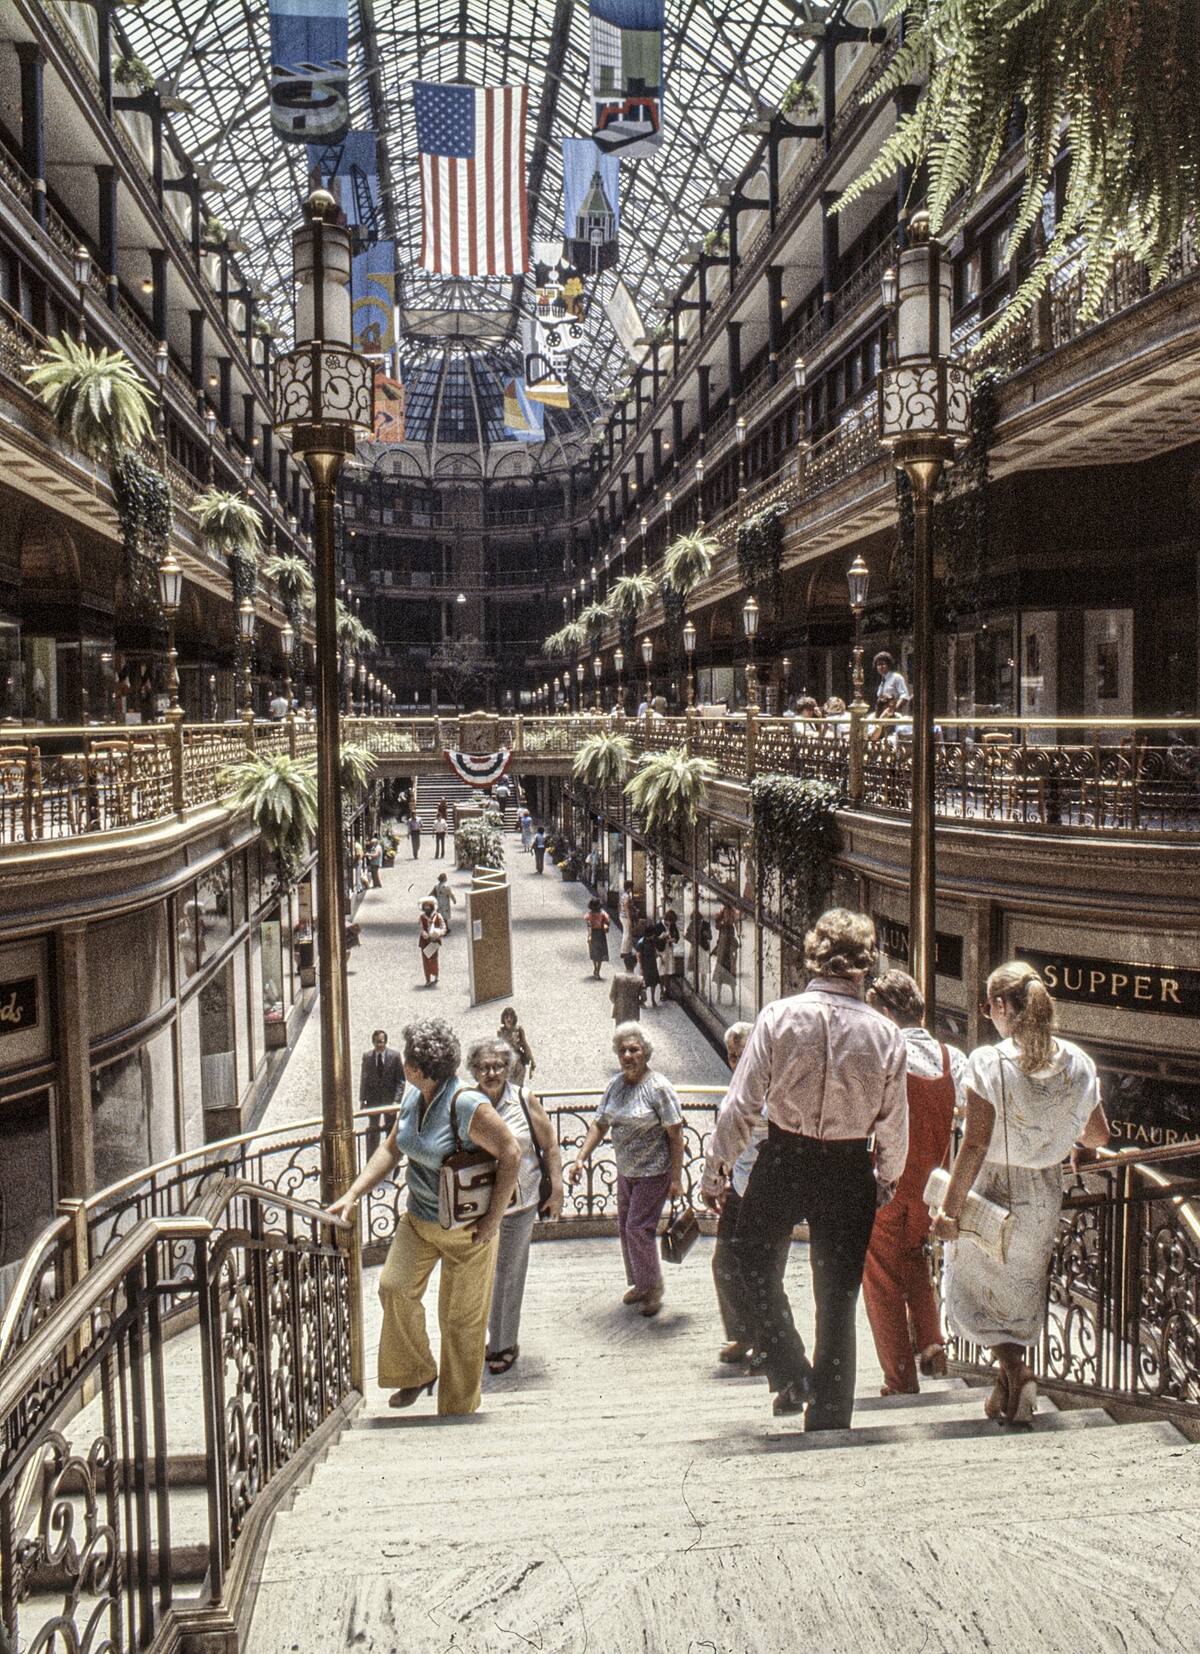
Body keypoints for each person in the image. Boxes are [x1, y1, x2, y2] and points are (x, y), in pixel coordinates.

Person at [706, 909, 908, 1429]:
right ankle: (830, 1413)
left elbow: (740, 1103)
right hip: (847, 1167)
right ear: (865, 965)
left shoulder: (777, 1017)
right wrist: (885, 1177)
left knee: (747, 1261)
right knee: (837, 1295)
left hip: (786, 1156)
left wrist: (716, 1170)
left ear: (814, 955)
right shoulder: (887, 1035)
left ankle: (791, 1367)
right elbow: (892, 1122)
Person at [932, 961, 1109, 1425]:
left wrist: (949, 1211)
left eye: (989, 1005)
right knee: (1017, 1298)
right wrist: (1066, 1142)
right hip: (1043, 1196)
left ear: (1003, 1006)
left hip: (990, 1188)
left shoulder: (989, 1062)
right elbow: (1097, 1136)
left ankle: (1017, 1370)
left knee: (975, 1295)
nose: (987, 1013)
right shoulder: (1076, 1061)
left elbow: (974, 1144)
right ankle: (1006, 1394)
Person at [326, 1017, 521, 1415]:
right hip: (419, 1219)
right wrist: (353, 1193)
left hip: (467, 1232)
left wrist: (493, 1220)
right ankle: (416, 1372)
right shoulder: (414, 1096)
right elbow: (392, 1148)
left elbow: (512, 1153)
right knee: (394, 1287)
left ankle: (457, 1410)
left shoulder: (467, 1104)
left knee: (460, 1323)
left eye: (408, 1060)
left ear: (418, 1067)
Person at [861, 970, 968, 1394]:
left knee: (881, 1276)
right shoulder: (951, 1057)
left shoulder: (884, 1056)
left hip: (888, 1180)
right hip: (931, 1186)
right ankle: (931, 1340)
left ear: (887, 1013)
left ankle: (899, 1379)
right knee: (913, 1257)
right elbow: (965, 1110)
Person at [568, 1024, 684, 1317]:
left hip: (654, 1172)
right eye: (623, 1051)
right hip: (626, 1171)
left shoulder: (658, 1087)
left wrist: (676, 1178)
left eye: (634, 1049)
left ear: (645, 1052)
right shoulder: (616, 1085)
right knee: (625, 1229)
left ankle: (653, 1286)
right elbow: (600, 1123)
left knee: (637, 1229)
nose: (628, 1055)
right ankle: (641, 1284)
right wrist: (581, 1157)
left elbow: (675, 1134)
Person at [467, 1038, 564, 1375]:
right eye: (484, 1067)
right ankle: (488, 1336)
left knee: (508, 1271)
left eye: (497, 1066)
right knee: (483, 1274)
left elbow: (550, 1145)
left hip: (521, 1202)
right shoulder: (468, 1103)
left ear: (508, 1068)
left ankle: (504, 1343)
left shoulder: (524, 1100)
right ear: (473, 1071)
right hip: (478, 1206)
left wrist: (558, 1189)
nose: (491, 1072)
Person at [702, 1022, 791, 1369]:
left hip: (771, 1189)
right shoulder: (743, 1085)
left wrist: (712, 1175)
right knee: (724, 1261)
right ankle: (744, 1333)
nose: (736, 1060)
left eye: (743, 1053)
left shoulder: (771, 1087)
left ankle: (768, 1343)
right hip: (740, 1185)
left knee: (767, 1269)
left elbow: (738, 1130)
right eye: (732, 1054)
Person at [360, 1028, 403, 1157]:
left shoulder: (395, 1056)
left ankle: (392, 1160)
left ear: (386, 1042)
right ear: (373, 1042)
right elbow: (364, 1079)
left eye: (382, 1042)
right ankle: (371, 1159)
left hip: (390, 1102)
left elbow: (401, 1080)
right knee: (373, 1131)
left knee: (390, 1131)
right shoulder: (367, 1057)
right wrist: (362, 1099)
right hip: (373, 1102)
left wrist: (396, 1102)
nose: (380, 1045)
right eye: (377, 1042)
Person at [497, 1006, 535, 1085]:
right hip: (506, 1059)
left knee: (518, 1086)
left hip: (518, 1060)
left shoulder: (519, 1030)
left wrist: (532, 1060)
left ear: (514, 1018)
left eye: (511, 1017)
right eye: (506, 1017)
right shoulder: (500, 1031)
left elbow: (525, 1045)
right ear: (503, 1019)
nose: (509, 1019)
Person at [712, 902, 740, 1005]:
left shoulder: (730, 929)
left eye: (729, 915)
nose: (728, 917)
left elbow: (736, 930)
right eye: (726, 914)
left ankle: (733, 998)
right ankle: (720, 996)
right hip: (723, 951)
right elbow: (717, 925)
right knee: (721, 972)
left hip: (727, 952)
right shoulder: (723, 927)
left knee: (730, 974)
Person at [636, 916, 665, 1008]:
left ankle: (652, 999)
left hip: (652, 964)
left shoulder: (652, 940)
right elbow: (639, 955)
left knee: (653, 983)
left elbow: (655, 950)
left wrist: (659, 955)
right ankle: (642, 1000)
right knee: (644, 983)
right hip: (645, 965)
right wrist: (640, 967)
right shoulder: (641, 942)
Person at [418, 897, 446, 986]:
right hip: (424, 942)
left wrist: (439, 933)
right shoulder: (422, 917)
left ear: (432, 906)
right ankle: (427, 979)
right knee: (425, 960)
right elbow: (421, 928)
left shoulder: (438, 916)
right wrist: (423, 933)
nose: (427, 908)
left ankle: (436, 974)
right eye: (425, 906)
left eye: (428, 906)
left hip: (434, 941)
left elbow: (443, 927)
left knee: (434, 959)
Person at [609, 954, 645, 1024]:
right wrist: (638, 1002)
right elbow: (644, 997)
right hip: (633, 1011)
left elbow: (611, 996)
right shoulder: (639, 979)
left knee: (620, 1032)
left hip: (620, 1010)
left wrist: (618, 1002)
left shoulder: (618, 977)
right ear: (635, 964)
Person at [874, 650, 909, 715]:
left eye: (883, 664)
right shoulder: (883, 681)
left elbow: (905, 696)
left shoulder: (896, 677)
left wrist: (894, 710)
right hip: (880, 715)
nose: (880, 667)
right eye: (878, 665)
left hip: (893, 716)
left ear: (889, 665)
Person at [586, 896, 611, 979]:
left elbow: (589, 927)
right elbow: (608, 921)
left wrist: (589, 936)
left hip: (593, 934)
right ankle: (598, 971)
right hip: (601, 934)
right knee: (600, 953)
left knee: (593, 952)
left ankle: (595, 968)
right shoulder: (603, 914)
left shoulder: (589, 915)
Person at [429, 871, 458, 936]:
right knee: (445, 917)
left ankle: (445, 928)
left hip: (438, 902)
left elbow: (433, 893)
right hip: (445, 903)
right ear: (444, 878)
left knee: (441, 916)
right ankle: (445, 929)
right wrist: (454, 900)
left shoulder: (436, 886)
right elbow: (450, 894)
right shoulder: (446, 886)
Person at [619, 880, 637, 968]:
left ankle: (627, 949)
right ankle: (624, 951)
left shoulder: (623, 895)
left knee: (627, 933)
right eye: (631, 887)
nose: (632, 889)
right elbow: (626, 907)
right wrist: (629, 918)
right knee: (627, 933)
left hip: (622, 916)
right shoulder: (626, 896)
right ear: (629, 887)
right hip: (625, 917)